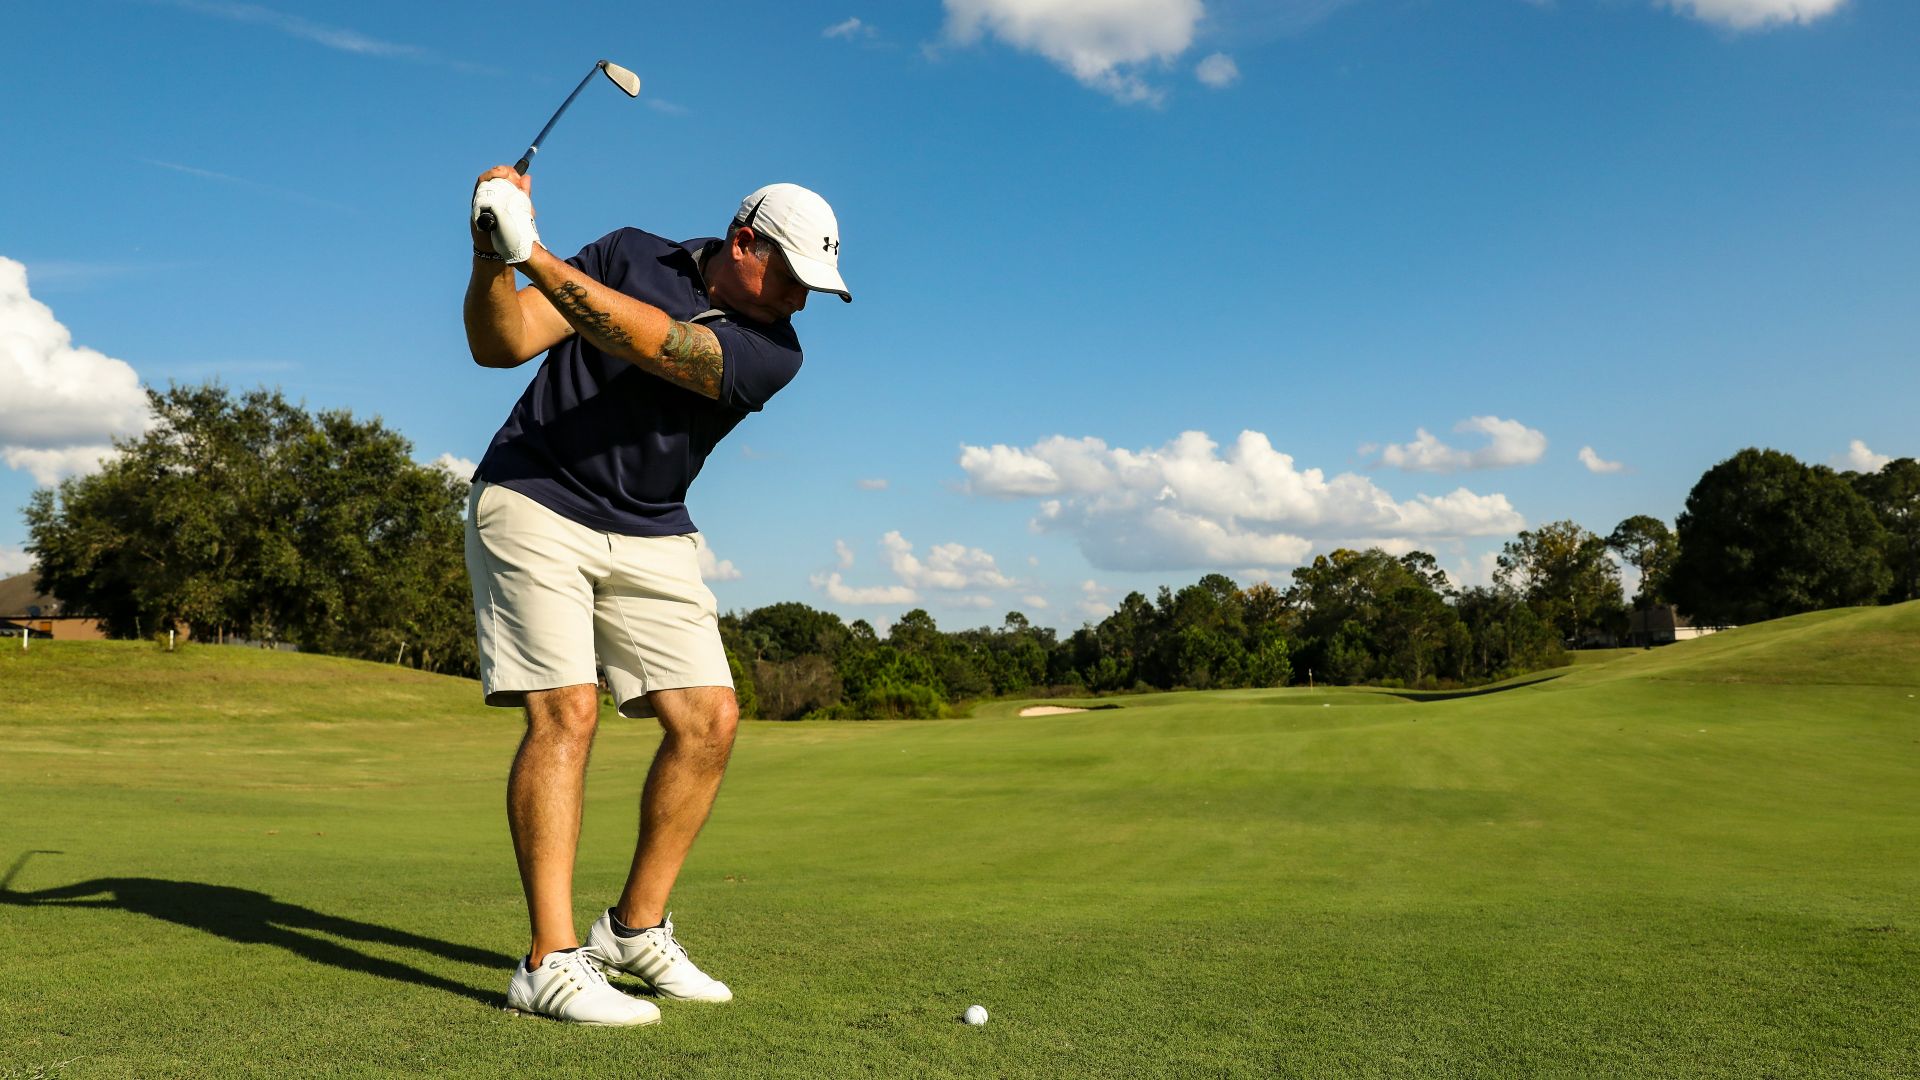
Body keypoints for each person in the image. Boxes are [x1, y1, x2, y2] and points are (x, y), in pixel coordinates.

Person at [460, 165, 850, 1026]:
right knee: (567, 712)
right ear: (743, 242)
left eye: (814, 287)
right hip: (532, 494)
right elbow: (503, 344)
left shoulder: (775, 352)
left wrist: (537, 254)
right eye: (789, 276)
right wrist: (494, 256)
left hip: (650, 526)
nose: (799, 299)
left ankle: (633, 930)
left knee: (708, 718)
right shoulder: (630, 252)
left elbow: (660, 346)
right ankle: (550, 961)